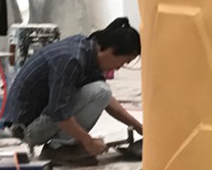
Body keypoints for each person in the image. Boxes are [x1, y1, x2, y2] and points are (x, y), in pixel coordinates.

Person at [7, 18, 142, 162]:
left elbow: (108, 101)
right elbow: (58, 111)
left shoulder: (87, 50)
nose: (119, 67)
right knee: (101, 91)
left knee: (102, 92)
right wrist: (88, 141)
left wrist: (139, 127)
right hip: (26, 128)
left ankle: (65, 145)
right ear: (110, 50)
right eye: (123, 61)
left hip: (39, 117)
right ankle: (58, 148)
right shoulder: (71, 60)